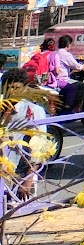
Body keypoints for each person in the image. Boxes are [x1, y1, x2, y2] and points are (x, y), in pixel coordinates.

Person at [2, 69, 47, 199]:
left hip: (20, 174)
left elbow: (39, 148)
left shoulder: (33, 111)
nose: (12, 92)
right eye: (9, 87)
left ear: (25, 89)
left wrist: (28, 180)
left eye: (17, 88)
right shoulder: (2, 109)